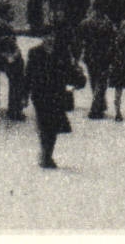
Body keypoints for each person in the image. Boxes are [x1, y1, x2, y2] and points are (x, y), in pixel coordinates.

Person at [24, 25, 84, 169]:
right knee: (44, 124)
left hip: (57, 93)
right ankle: (45, 155)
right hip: (40, 94)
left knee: (54, 126)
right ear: (42, 38)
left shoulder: (61, 52)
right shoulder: (34, 53)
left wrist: (78, 80)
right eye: (47, 36)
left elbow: (69, 70)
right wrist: (24, 94)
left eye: (52, 35)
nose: (50, 38)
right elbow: (29, 74)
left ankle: (47, 153)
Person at [76, 0, 117, 120]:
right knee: (102, 81)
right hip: (104, 55)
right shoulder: (108, 23)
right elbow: (113, 40)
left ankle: (99, 104)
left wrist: (79, 54)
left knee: (94, 80)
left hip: (90, 55)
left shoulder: (86, 22)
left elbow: (79, 38)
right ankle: (96, 108)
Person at [0, 1, 27, 122]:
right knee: (17, 79)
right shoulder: (3, 27)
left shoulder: (1, 25)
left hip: (5, 58)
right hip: (6, 59)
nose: (13, 14)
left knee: (16, 79)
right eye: (11, 12)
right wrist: (13, 55)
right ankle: (15, 110)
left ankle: (15, 108)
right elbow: (6, 45)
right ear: (4, 13)